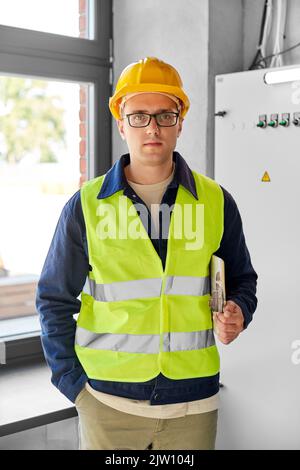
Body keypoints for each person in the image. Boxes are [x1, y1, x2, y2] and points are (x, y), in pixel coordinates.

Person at [36, 57, 258, 450]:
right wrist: (75, 386)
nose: (152, 127)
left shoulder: (216, 202)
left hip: (193, 404)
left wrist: (238, 311)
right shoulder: (85, 206)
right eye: (139, 116)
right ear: (121, 124)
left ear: (180, 122)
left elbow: (243, 280)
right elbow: (53, 300)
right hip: (108, 403)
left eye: (164, 115)